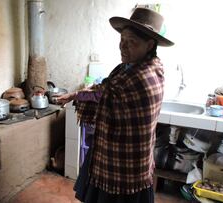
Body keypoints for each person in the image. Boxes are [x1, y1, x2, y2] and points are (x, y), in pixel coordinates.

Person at [56, 7, 174, 203]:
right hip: (121, 153)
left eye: (131, 42)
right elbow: (106, 88)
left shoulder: (143, 77)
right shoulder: (133, 66)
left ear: (149, 44)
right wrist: (77, 94)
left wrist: (76, 95)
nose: (123, 47)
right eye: (122, 40)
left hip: (125, 157)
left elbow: (104, 94)